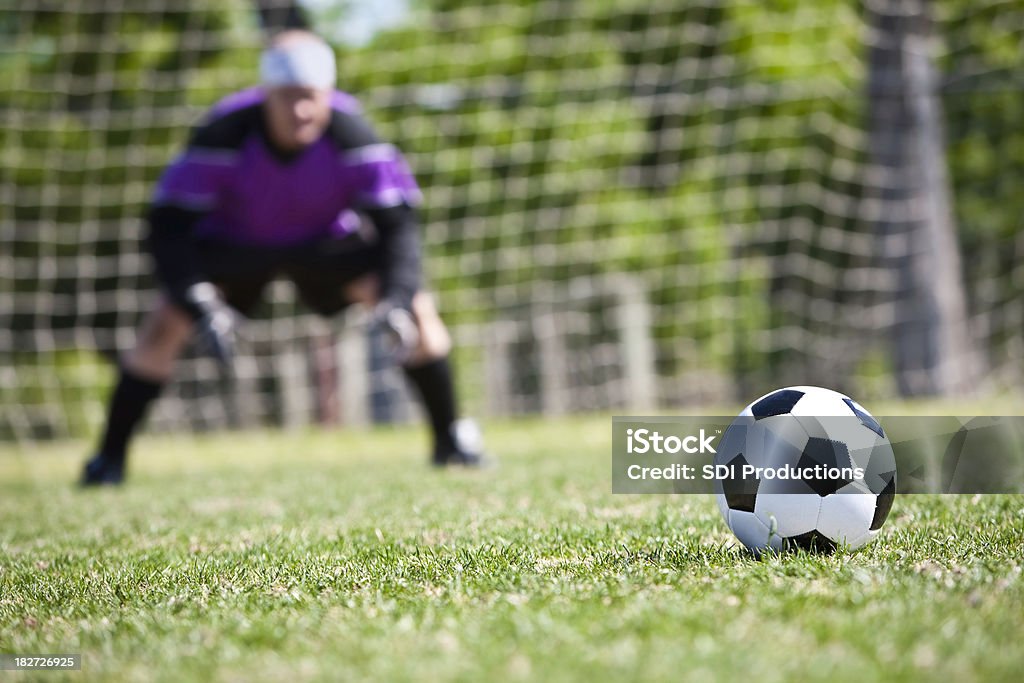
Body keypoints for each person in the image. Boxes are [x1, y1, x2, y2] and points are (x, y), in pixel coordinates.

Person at [81, 30, 486, 485]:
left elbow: (399, 228)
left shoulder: (353, 135)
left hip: (324, 244)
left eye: (310, 97)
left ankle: (451, 440)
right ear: (267, 95)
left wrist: (394, 300)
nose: (300, 111)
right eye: (287, 98)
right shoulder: (224, 132)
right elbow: (168, 228)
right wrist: (200, 304)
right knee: (164, 323)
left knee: (417, 312)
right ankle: (108, 459)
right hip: (235, 248)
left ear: (328, 95)